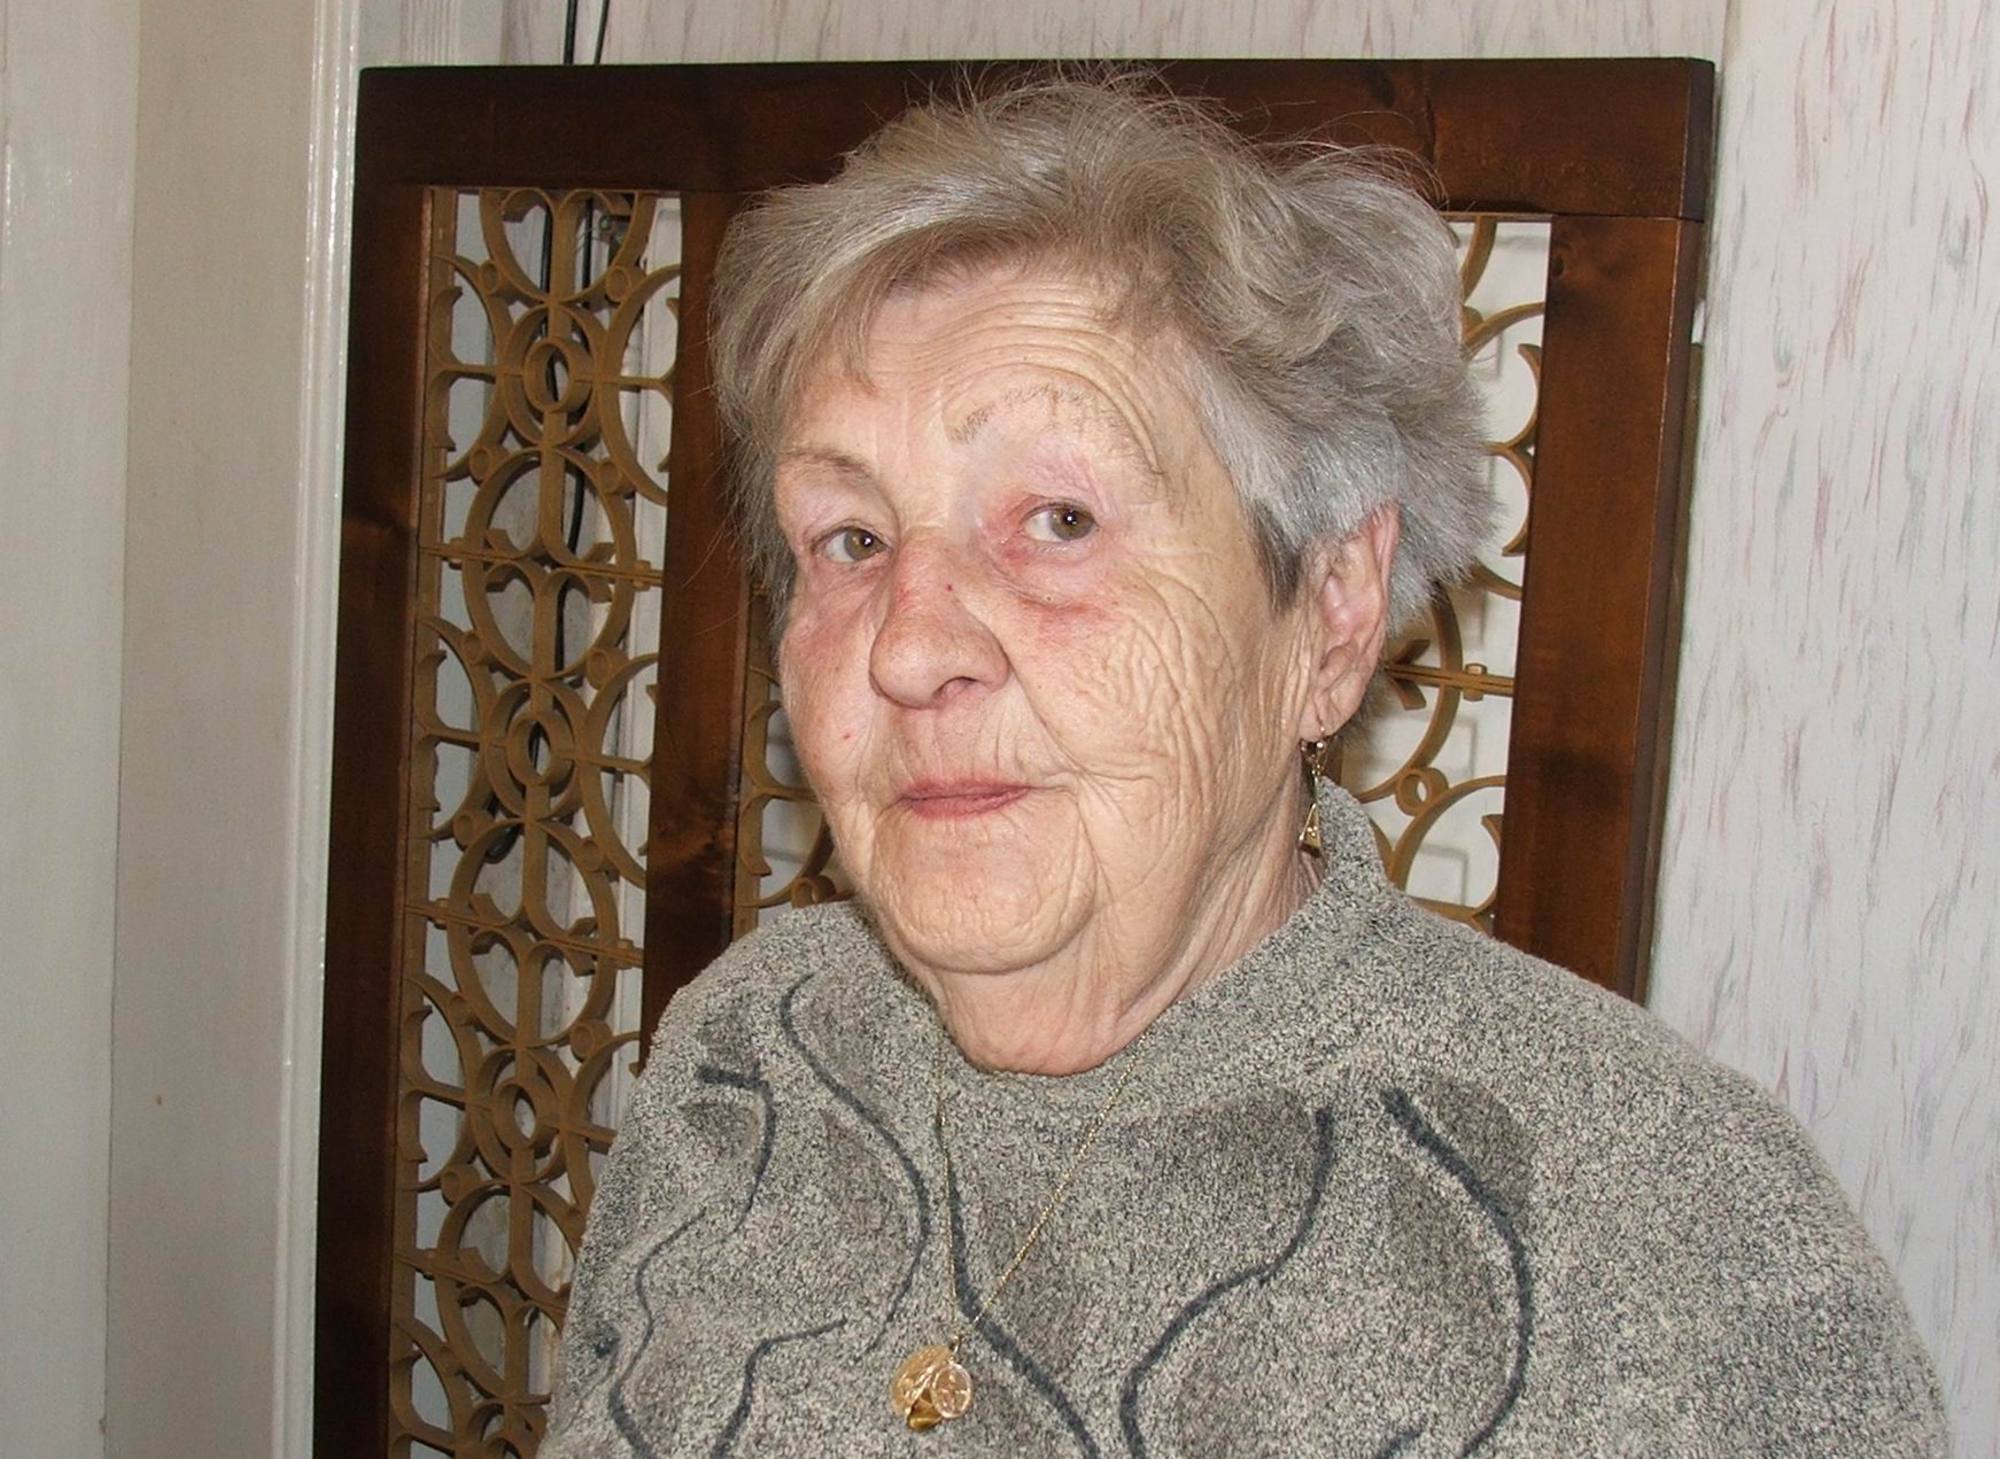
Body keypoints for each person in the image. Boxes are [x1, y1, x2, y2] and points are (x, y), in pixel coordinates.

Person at [544, 78, 1947, 1457]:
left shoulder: (1661, 1250)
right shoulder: (750, 1050)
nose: (908, 648)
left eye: (1059, 519)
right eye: (851, 540)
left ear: (1329, 611)